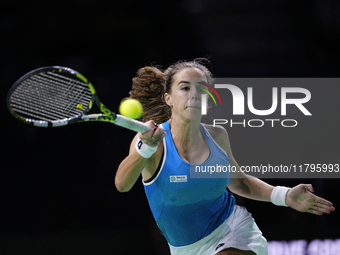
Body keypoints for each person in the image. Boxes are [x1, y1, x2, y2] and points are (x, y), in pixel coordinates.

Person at [115, 59, 335, 255]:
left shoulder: (217, 135)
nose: (193, 95)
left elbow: (238, 181)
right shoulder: (152, 142)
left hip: (233, 230)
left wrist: (284, 195)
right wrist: (145, 148)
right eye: (184, 88)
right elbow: (122, 184)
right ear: (168, 98)